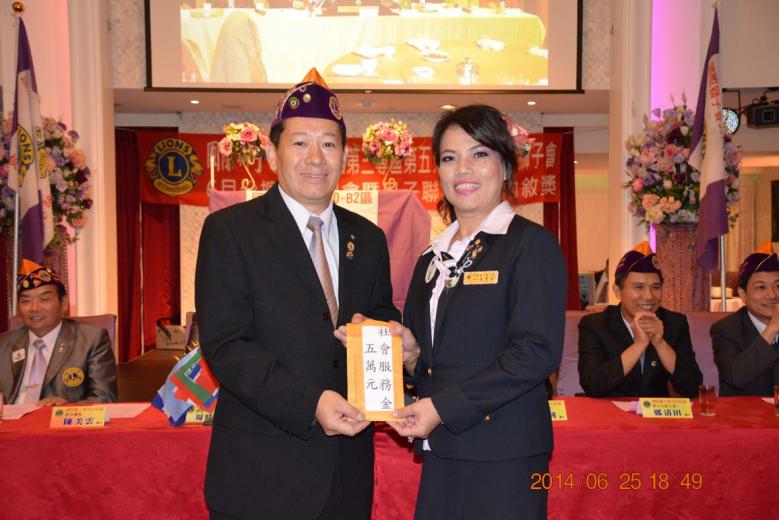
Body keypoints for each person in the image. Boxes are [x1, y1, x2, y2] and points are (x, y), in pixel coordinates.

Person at [195, 68, 400, 519]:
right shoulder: (231, 231)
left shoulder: (367, 238)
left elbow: (381, 316)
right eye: (300, 142)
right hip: (262, 474)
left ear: (344, 156)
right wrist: (311, 403)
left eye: (328, 144)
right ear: (273, 152)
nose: (315, 158)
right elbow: (227, 346)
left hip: (346, 472)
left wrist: (389, 337)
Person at [386, 105, 567, 519]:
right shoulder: (431, 259)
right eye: (449, 158)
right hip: (442, 448)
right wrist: (412, 355)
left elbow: (535, 352)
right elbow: (435, 363)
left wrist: (441, 408)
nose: (463, 169)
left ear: (505, 166)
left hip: (504, 454)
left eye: (480, 154)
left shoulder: (530, 245)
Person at [578, 242, 703, 398]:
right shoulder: (595, 325)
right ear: (618, 291)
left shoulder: (674, 323)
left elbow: (692, 388)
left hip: (657, 412)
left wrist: (660, 343)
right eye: (639, 287)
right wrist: (639, 345)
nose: (649, 296)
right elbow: (593, 385)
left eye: (655, 287)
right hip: (610, 410)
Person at [0, 259, 117, 405]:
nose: (34, 308)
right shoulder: (3, 344)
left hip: (61, 418)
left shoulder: (90, 340)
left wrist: (66, 409)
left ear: (63, 303)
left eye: (44, 299)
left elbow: (105, 398)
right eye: (26, 301)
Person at [711, 241, 779, 396]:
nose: (772, 295)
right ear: (743, 294)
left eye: (778, 286)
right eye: (761, 287)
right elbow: (737, 378)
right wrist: (772, 330)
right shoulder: (726, 330)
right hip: (744, 410)